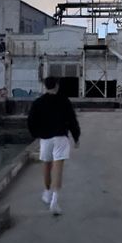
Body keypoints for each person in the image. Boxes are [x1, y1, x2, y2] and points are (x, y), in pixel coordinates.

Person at [27, 76, 80, 216]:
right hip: (60, 137)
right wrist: (76, 137)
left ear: (45, 86)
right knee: (58, 167)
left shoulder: (38, 102)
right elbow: (72, 120)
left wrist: (36, 134)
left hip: (45, 138)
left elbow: (31, 121)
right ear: (57, 86)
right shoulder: (64, 101)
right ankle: (55, 201)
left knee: (46, 165)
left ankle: (47, 192)